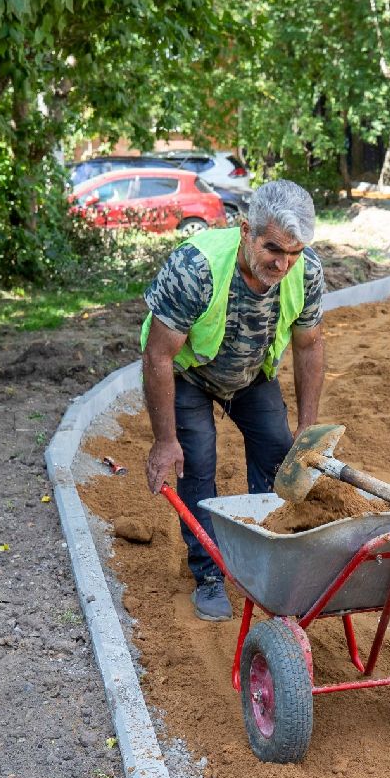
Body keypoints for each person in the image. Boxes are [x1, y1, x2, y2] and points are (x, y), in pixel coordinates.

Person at [141, 180, 327, 621]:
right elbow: (158, 355)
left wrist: (308, 428)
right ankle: (209, 575)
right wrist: (165, 440)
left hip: (250, 374)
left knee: (279, 456)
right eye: (274, 250)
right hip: (189, 374)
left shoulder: (307, 270)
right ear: (246, 230)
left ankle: (267, 561)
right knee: (197, 462)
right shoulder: (195, 267)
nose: (284, 264)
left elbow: (309, 345)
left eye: (294, 253)